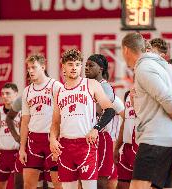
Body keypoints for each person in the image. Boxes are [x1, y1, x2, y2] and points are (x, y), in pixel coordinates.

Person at [121, 33, 172, 189]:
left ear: (126, 50)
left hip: (154, 140)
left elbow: (169, 100)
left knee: (136, 186)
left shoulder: (144, 68)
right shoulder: (159, 65)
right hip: (163, 139)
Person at [49, 49, 116, 189]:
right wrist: (53, 139)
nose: (74, 67)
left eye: (78, 64)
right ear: (63, 67)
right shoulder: (59, 91)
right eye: (70, 64)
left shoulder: (91, 84)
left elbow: (110, 110)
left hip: (86, 143)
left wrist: (96, 128)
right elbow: (55, 122)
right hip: (65, 145)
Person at [19, 54, 62, 189]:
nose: (30, 71)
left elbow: (63, 115)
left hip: (52, 138)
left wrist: (59, 138)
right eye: (29, 68)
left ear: (43, 67)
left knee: (57, 184)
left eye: (34, 67)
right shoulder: (27, 91)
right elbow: (25, 121)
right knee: (28, 185)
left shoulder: (55, 86)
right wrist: (22, 148)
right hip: (34, 140)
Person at [85, 54, 117, 189]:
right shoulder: (87, 86)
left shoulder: (106, 87)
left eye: (91, 65)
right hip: (86, 136)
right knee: (86, 178)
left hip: (102, 137)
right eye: (86, 65)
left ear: (100, 69)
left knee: (100, 179)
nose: (86, 68)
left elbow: (106, 110)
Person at [0, 83, 22, 189]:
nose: (4, 96)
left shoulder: (23, 112)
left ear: (16, 94)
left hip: (17, 154)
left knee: (19, 186)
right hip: (1, 155)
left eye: (7, 93)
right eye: (2, 94)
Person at [114, 90, 138, 189]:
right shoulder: (128, 94)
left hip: (141, 148)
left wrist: (134, 101)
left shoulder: (149, 93)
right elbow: (125, 122)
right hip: (127, 147)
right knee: (121, 185)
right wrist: (117, 148)